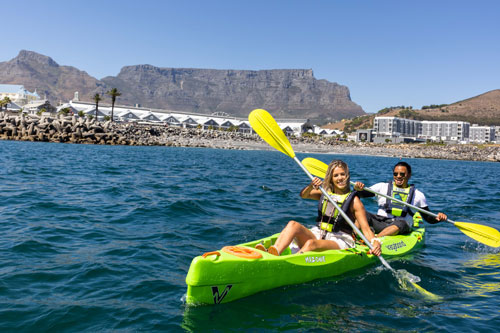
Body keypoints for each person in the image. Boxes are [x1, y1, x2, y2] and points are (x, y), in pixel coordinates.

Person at [256, 160, 381, 256]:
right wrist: (311, 186)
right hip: (319, 233)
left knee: (311, 244)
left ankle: (290, 263)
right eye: (336, 175)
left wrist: (375, 242)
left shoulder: (354, 201)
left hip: (340, 240)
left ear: (348, 176)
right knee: (293, 224)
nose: (340, 178)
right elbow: (304, 195)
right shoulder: (325, 193)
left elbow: (365, 229)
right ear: (331, 179)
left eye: (343, 174)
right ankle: (274, 253)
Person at [354, 161, 447, 237]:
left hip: (399, 226)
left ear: (409, 175)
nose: (398, 176)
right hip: (379, 221)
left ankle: (375, 240)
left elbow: (428, 218)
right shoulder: (382, 187)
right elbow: (359, 195)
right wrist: (357, 189)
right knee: (363, 214)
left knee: (401, 223)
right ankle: (353, 237)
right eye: (395, 174)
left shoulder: (418, 195)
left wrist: (438, 218)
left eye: (402, 174)